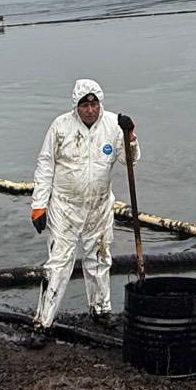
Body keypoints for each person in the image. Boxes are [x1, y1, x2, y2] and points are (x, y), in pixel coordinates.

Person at [30, 79, 139, 330]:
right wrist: (39, 205)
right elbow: (45, 165)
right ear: (76, 106)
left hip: (99, 207)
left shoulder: (113, 125)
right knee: (58, 264)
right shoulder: (60, 127)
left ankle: (100, 311)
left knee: (100, 259)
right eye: (85, 104)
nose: (90, 109)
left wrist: (130, 135)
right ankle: (42, 323)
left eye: (94, 103)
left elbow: (129, 160)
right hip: (65, 207)